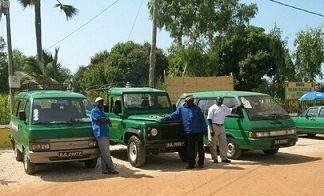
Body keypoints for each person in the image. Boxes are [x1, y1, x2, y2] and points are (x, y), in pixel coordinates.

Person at [164, 95, 207, 169]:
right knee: (190, 149)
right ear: (186, 102)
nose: (191, 102)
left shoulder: (197, 108)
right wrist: (165, 118)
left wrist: (205, 129)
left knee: (200, 148)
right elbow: (173, 115)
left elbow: (202, 119)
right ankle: (191, 164)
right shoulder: (181, 109)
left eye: (191, 101)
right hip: (189, 132)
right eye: (189, 101)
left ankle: (201, 163)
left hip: (199, 131)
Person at [207, 97, 243, 163]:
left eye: (221, 100)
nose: (220, 101)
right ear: (216, 101)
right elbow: (209, 119)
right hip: (214, 126)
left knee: (223, 143)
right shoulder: (212, 108)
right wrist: (211, 130)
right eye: (219, 100)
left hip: (221, 126)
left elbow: (231, 110)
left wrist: (239, 106)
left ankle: (223, 158)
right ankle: (215, 158)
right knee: (213, 143)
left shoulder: (223, 107)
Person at [91, 97, 119, 175]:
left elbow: (107, 120)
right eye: (99, 102)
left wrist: (105, 119)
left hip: (105, 133)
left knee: (104, 153)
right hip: (100, 133)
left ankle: (105, 170)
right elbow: (100, 120)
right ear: (96, 103)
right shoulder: (94, 111)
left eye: (102, 102)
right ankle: (112, 169)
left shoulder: (102, 111)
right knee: (106, 152)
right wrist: (105, 119)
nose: (101, 103)